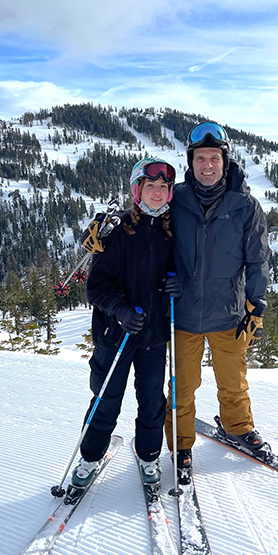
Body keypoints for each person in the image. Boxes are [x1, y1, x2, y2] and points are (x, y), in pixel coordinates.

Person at [165, 121, 270, 473]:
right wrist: (113, 229)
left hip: (229, 313)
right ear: (190, 162)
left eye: (214, 158)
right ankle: (180, 444)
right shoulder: (174, 200)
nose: (207, 165)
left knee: (233, 381)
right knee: (182, 386)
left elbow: (257, 260)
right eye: (200, 159)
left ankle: (238, 428)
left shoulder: (245, 206)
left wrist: (256, 306)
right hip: (184, 313)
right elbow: (142, 221)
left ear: (225, 162)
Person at [72, 157, 181, 486]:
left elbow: (179, 274)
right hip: (115, 335)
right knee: (106, 400)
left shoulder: (171, 231)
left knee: (152, 401)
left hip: (153, 335)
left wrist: (177, 285)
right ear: (138, 190)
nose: (158, 192)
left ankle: (149, 457)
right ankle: (90, 457)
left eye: (164, 186)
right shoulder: (118, 231)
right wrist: (119, 311)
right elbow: (97, 287)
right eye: (151, 185)